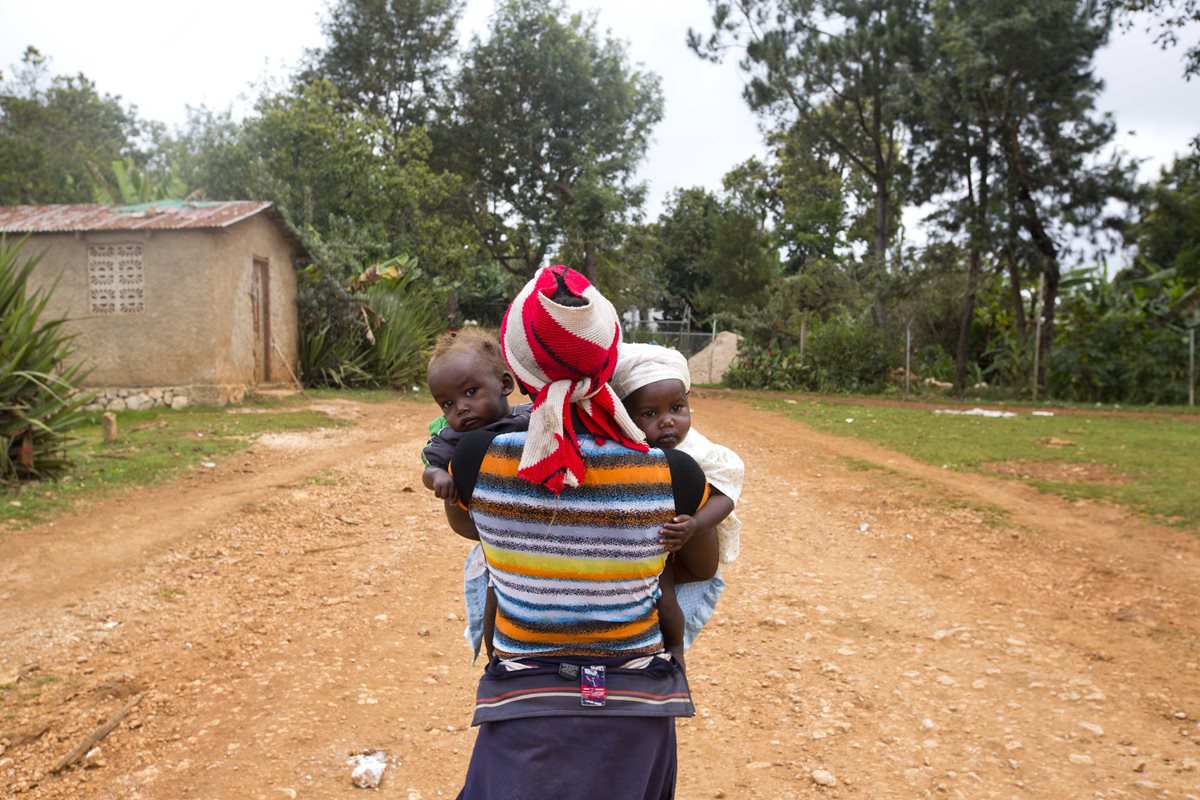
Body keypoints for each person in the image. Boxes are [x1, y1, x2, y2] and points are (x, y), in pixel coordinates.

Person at [444, 265, 709, 799]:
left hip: (523, 708)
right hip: (636, 710)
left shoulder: (476, 460)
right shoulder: (674, 474)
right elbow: (700, 568)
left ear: (516, 375)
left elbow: (472, 531)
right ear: (610, 359)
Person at [610, 343, 744, 661]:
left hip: (686, 540)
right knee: (661, 599)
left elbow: (726, 494)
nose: (667, 422)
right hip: (647, 548)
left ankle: (675, 658)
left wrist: (696, 524)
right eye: (649, 414)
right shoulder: (623, 449)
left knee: (667, 604)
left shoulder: (698, 450)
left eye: (677, 408)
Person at [421, 328, 531, 659]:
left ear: (505, 385)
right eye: (448, 404)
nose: (461, 409)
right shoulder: (451, 438)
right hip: (492, 535)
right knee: (494, 596)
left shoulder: (530, 417)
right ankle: (494, 659)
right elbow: (429, 466)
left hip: (536, 522)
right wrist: (438, 476)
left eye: (471, 392)